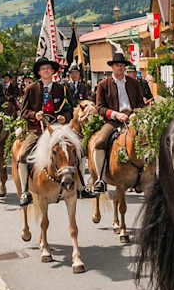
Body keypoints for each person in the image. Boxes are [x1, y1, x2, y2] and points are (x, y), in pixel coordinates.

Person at [16, 58, 76, 206]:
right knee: (22, 155)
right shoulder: (31, 89)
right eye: (43, 69)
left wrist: (65, 117)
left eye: (49, 68)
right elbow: (24, 112)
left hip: (59, 129)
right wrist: (34, 115)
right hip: (37, 129)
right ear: (39, 72)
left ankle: (81, 187)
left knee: (77, 150)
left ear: (53, 71)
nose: (46, 71)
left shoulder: (62, 89)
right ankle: (25, 191)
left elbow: (70, 109)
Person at [90, 53, 148, 195]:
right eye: (117, 65)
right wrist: (115, 114)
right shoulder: (103, 85)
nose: (120, 68)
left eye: (122, 65)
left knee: (149, 139)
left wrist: (136, 112)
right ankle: (100, 179)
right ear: (112, 67)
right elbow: (100, 108)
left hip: (133, 118)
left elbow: (141, 103)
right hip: (113, 121)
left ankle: (146, 176)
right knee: (100, 142)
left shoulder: (134, 83)